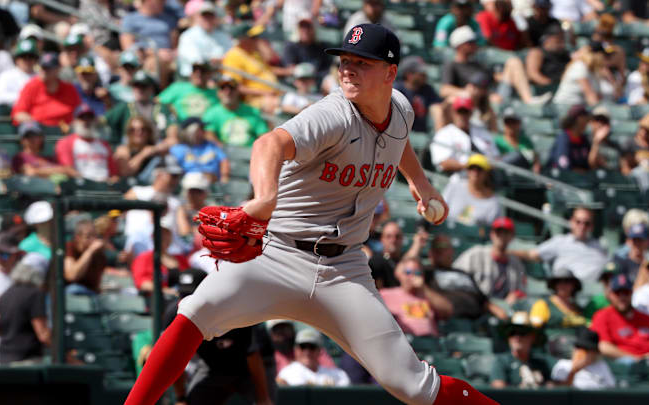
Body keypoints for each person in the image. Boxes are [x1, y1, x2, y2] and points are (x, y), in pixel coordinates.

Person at [124, 24, 498, 405]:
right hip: (277, 255)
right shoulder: (333, 115)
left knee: (413, 387)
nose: (348, 69)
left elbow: (396, 138)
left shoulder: (400, 108)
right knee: (195, 311)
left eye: (361, 62)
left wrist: (419, 180)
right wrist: (266, 196)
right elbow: (269, 143)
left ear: (390, 73)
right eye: (345, 61)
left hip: (345, 269)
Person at [165, 268, 274, 405]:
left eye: (191, 295)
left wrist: (263, 398)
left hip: (249, 369)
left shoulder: (232, 310)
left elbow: (253, 356)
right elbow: (172, 358)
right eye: (183, 295)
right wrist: (181, 398)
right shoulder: (175, 313)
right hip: (211, 367)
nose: (185, 301)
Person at [512, 207, 608, 281]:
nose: (582, 226)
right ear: (571, 222)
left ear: (592, 226)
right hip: (566, 291)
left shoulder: (600, 246)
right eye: (578, 222)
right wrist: (504, 252)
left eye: (586, 223)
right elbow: (531, 254)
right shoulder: (560, 241)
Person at [426, 234, 502, 319]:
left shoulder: (463, 273)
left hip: (477, 321)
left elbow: (483, 300)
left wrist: (501, 314)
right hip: (448, 321)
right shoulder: (427, 272)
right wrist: (417, 245)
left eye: (445, 246)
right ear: (431, 253)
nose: (440, 249)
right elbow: (410, 267)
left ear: (452, 251)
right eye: (437, 246)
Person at [454, 217, 527, 304]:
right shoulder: (476, 254)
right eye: (499, 232)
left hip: (505, 310)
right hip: (477, 307)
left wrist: (515, 295)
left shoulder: (516, 264)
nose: (502, 236)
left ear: (512, 236)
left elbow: (522, 291)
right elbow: (455, 277)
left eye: (506, 233)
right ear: (492, 234)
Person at [123, 158, 183, 258]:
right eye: (173, 176)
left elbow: (183, 230)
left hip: (168, 248)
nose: (176, 180)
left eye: (177, 177)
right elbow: (115, 213)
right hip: (137, 246)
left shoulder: (176, 202)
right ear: (159, 175)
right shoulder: (137, 192)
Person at [591, 273, 649, 360]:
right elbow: (603, 346)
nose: (622, 297)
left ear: (632, 293)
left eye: (626, 292)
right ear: (610, 294)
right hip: (620, 369)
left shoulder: (645, 317)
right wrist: (635, 359)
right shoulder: (602, 316)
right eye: (618, 293)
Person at [380, 257, 454, 337]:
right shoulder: (386, 294)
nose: (412, 276)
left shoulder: (427, 295)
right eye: (408, 272)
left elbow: (448, 311)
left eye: (417, 273)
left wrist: (424, 289)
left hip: (430, 341)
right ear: (399, 274)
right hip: (404, 341)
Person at [0, 253, 51, 365]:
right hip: (27, 361)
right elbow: (43, 334)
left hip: (3, 360)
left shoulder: (6, 294)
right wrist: (68, 356)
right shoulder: (35, 294)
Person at [430, 95, 499, 176]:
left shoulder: (481, 131)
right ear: (453, 112)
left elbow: (496, 157)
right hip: (457, 178)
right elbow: (443, 163)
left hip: (487, 176)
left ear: (471, 113)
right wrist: (471, 165)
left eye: (466, 112)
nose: (462, 116)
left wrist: (484, 165)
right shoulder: (444, 134)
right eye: (459, 111)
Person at [105, 70, 179, 145]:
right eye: (136, 86)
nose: (140, 90)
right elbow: (103, 122)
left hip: (157, 148)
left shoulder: (162, 108)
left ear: (151, 88)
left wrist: (154, 149)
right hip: (130, 148)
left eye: (143, 86)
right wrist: (117, 146)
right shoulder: (124, 107)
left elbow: (173, 135)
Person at [12, 52, 81, 128]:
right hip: (39, 134)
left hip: (65, 131)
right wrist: (34, 123)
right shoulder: (31, 86)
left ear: (58, 69)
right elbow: (18, 114)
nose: (44, 71)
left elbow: (80, 111)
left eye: (48, 68)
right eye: (42, 67)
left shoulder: (69, 88)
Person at [55, 104, 118, 183]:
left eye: (90, 118)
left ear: (95, 120)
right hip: (81, 187)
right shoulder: (66, 143)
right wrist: (92, 182)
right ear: (75, 121)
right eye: (82, 118)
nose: (86, 121)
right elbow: (67, 169)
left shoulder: (104, 144)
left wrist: (112, 181)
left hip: (106, 188)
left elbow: (114, 173)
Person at [490, 312, 554, 388]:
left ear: (532, 337)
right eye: (512, 333)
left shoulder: (541, 364)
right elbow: (498, 391)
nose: (517, 337)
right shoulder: (501, 362)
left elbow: (551, 389)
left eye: (522, 333)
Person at [203, 75, 269, 147]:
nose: (227, 92)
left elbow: (263, 135)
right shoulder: (211, 113)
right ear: (218, 92)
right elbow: (208, 134)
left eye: (231, 88)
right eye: (222, 88)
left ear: (238, 91)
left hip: (249, 154)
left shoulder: (252, 112)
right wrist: (221, 149)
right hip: (225, 154)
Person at [276, 328, 351, 386]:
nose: (307, 352)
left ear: (319, 350)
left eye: (312, 347)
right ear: (296, 349)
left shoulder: (338, 375)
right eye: (303, 347)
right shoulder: (287, 373)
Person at [441, 154, 501, 226]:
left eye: (479, 169)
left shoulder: (493, 202)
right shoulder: (454, 186)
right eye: (471, 168)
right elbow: (441, 209)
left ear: (486, 173)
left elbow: (489, 230)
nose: (475, 172)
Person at [177, 2, 232, 78]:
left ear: (215, 18)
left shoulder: (223, 36)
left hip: (219, 78)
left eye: (210, 16)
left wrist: (221, 61)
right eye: (205, 16)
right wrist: (213, 61)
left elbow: (231, 55)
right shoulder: (188, 36)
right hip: (193, 80)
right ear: (198, 17)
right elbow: (195, 60)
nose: (208, 19)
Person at [131, 224, 189, 295]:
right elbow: (142, 283)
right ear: (154, 238)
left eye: (168, 237)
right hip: (159, 299)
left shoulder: (180, 258)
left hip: (183, 295)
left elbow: (189, 276)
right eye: (162, 237)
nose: (166, 240)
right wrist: (166, 291)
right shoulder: (144, 257)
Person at [551, 327, 616, 389]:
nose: (580, 352)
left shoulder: (601, 365)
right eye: (578, 348)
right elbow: (559, 392)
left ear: (594, 352)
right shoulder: (563, 365)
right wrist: (573, 371)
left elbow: (611, 388)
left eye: (586, 350)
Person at [548, 105, 607, 172]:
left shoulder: (584, 139)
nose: (588, 121)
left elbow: (592, 165)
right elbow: (564, 167)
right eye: (586, 118)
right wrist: (582, 172)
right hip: (563, 180)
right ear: (579, 119)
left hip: (582, 180)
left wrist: (596, 143)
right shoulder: (563, 138)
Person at [170, 118, 231, 183]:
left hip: (211, 183)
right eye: (201, 129)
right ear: (190, 131)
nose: (204, 131)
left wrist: (224, 177)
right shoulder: (179, 149)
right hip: (189, 182)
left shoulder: (212, 146)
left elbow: (224, 161)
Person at [369, 222, 427, 289]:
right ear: (382, 239)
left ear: (402, 239)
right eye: (388, 236)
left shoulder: (407, 258)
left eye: (397, 237)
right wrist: (416, 245)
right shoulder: (375, 261)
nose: (393, 240)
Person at [265, 319, 337, 374]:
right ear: (270, 334)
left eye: (286, 329)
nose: (283, 335)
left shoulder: (310, 347)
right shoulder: (267, 356)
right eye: (277, 331)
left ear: (293, 330)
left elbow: (332, 372)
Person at [553, 41, 613, 106]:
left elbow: (598, 95)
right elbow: (590, 95)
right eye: (604, 56)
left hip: (580, 108)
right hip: (565, 107)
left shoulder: (594, 70)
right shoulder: (580, 66)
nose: (605, 59)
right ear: (596, 55)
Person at [12, 121, 78, 179]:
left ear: (41, 137)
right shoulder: (19, 158)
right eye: (27, 136)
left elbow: (68, 171)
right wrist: (61, 170)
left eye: (35, 135)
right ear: (22, 140)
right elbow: (29, 172)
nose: (31, 138)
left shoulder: (49, 158)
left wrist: (37, 171)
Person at [393, 56, 443, 134]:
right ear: (409, 74)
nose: (425, 75)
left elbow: (436, 107)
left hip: (423, 132)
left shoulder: (427, 89)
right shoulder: (397, 90)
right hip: (400, 133)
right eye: (421, 73)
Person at [113, 115, 169, 182]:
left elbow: (171, 143)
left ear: (149, 132)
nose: (138, 132)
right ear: (128, 132)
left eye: (143, 129)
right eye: (133, 130)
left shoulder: (153, 146)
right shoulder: (123, 149)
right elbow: (126, 172)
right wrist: (143, 154)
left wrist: (155, 149)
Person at [64, 219, 108, 295]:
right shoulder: (69, 247)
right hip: (70, 295)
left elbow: (96, 284)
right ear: (78, 237)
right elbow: (72, 276)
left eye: (94, 236)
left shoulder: (98, 254)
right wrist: (90, 251)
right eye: (88, 236)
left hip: (91, 294)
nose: (93, 240)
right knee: (74, 289)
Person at [525, 24, 570, 95]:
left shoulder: (565, 54)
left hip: (564, 87)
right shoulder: (537, 52)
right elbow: (533, 74)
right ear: (548, 38)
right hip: (546, 89)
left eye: (562, 38)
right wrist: (551, 85)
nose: (561, 42)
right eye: (558, 39)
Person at [494, 108, 540, 172]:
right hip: (504, 175)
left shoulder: (526, 142)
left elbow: (535, 160)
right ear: (504, 124)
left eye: (514, 122)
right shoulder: (497, 141)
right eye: (508, 122)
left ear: (519, 123)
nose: (511, 125)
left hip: (523, 176)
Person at [0, 39, 38, 106]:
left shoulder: (40, 76)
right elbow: (0, 97)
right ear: (16, 59)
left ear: (35, 59)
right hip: (11, 113)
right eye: (23, 57)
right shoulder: (6, 76)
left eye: (31, 57)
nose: (27, 60)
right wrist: (24, 97)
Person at [176, 172, 211, 243]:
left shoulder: (211, 210)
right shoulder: (182, 209)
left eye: (198, 191)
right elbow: (184, 232)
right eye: (191, 191)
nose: (194, 195)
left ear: (205, 193)